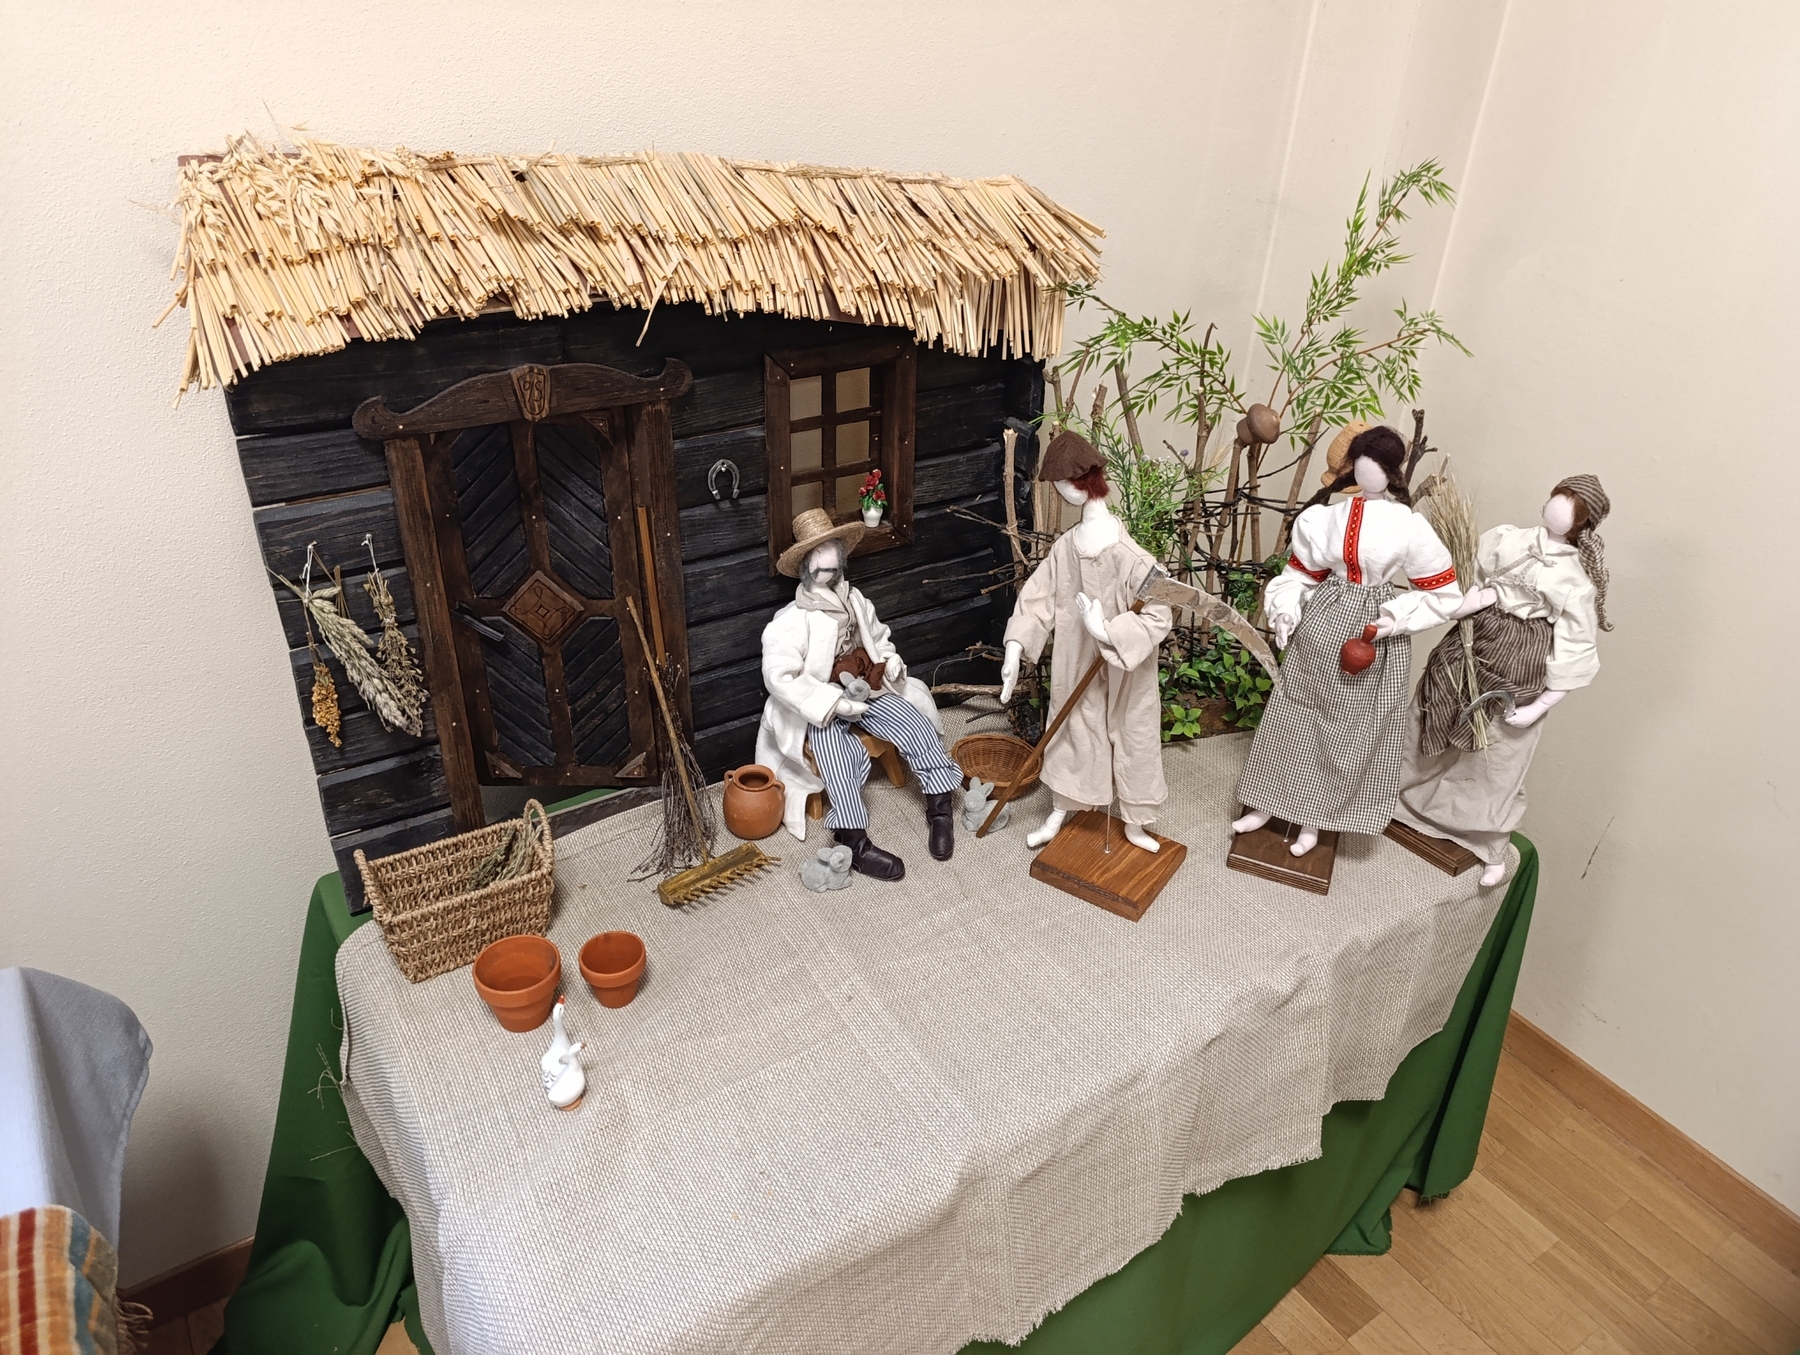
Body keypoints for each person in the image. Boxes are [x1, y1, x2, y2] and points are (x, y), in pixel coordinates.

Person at [1233, 425, 1463, 856]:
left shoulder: (1409, 526)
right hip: (1320, 624)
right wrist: (1285, 609)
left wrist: (1393, 619)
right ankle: (1266, 802)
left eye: (1377, 463)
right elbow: (1300, 574)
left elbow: (1444, 594)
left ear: (1391, 471)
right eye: (1362, 461)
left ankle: (1314, 819)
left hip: (1372, 636)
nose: (1367, 470)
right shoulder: (1327, 517)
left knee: (1345, 731)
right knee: (1291, 715)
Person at [1393, 475, 1614, 886]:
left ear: (1583, 523)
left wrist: (1542, 703)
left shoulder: (1576, 578)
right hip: (1473, 639)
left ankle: (1484, 838)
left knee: (1496, 752)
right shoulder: (1507, 539)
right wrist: (1470, 600)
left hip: (1519, 662)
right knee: (1434, 710)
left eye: (1572, 505)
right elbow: (1474, 577)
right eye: (1560, 496)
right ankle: (1395, 796)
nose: (1560, 507)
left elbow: (1576, 644)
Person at [755, 508, 962, 879]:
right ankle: (854, 841)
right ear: (805, 566)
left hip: (866, 684)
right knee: (836, 754)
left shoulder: (856, 601)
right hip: (821, 699)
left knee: (913, 722)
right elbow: (779, 677)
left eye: (833, 559)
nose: (828, 568)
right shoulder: (790, 621)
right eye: (819, 561)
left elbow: (879, 638)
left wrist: (890, 661)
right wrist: (832, 702)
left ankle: (939, 804)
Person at [999, 430, 1173, 853]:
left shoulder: (1132, 557)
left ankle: (1136, 821)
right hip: (1076, 661)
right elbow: (1037, 598)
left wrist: (1107, 631)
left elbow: (1159, 614)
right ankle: (1062, 808)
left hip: (1128, 668)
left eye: (1061, 484)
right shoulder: (1065, 549)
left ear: (1081, 482)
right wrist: (1015, 649)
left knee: (1134, 734)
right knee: (1073, 730)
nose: (1059, 493)